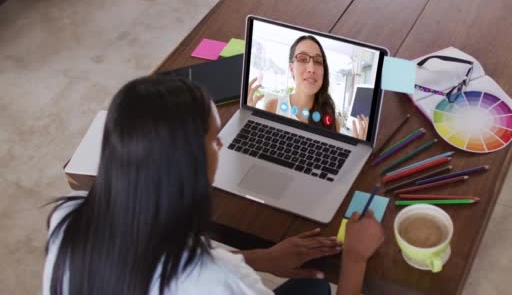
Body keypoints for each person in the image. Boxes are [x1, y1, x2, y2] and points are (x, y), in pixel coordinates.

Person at [43, 76, 384, 295]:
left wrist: (260, 258)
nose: (221, 145)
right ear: (189, 165)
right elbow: (206, 273)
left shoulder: (67, 218)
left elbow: (162, 257)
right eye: (213, 139)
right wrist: (354, 258)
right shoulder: (221, 284)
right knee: (316, 288)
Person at [247, 35, 369, 140]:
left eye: (318, 61)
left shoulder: (333, 123)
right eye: (303, 59)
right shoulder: (272, 107)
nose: (311, 68)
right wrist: (248, 124)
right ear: (291, 69)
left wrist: (355, 149)